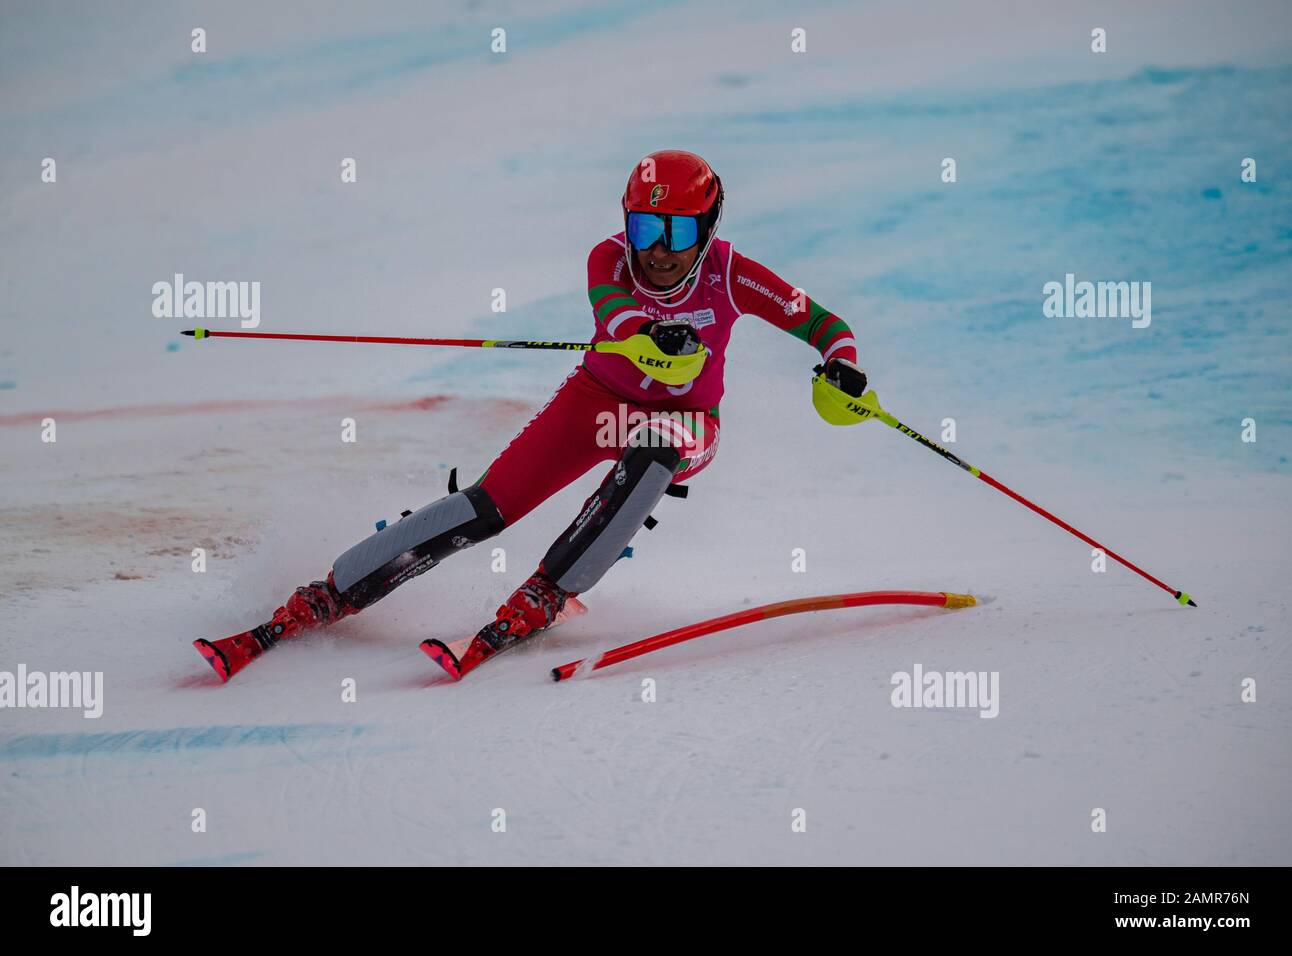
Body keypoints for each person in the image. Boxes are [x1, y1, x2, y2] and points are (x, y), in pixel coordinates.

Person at [195, 149, 868, 681]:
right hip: (596, 402)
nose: (658, 249)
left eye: (677, 231)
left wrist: (840, 361)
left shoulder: (731, 273)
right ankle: (331, 591)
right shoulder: (609, 258)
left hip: (688, 421)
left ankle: (547, 593)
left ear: (708, 228)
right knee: (488, 504)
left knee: (656, 443)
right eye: (645, 228)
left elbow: (822, 322)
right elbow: (620, 314)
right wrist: (648, 332)